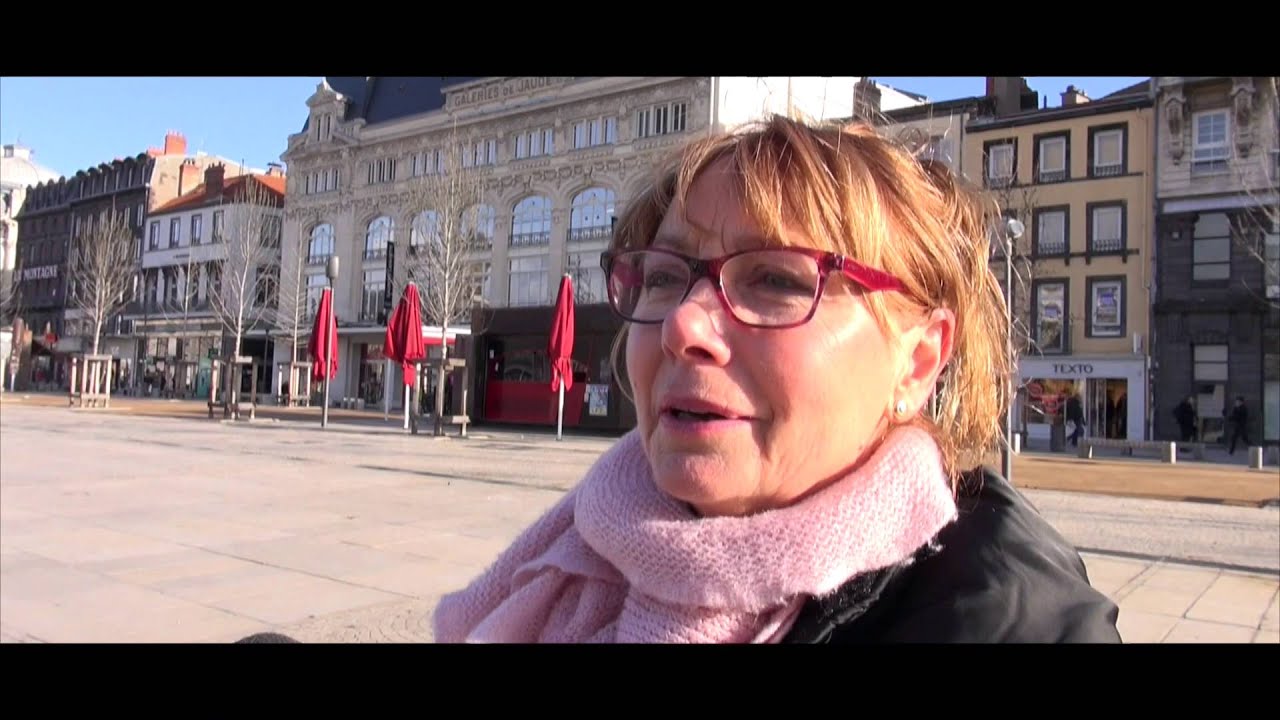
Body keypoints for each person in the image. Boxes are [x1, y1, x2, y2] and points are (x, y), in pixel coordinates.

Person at [432, 115, 1120, 643]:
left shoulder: (1009, 624)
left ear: (917, 362)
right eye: (666, 277)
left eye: (775, 279)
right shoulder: (570, 563)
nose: (682, 327)